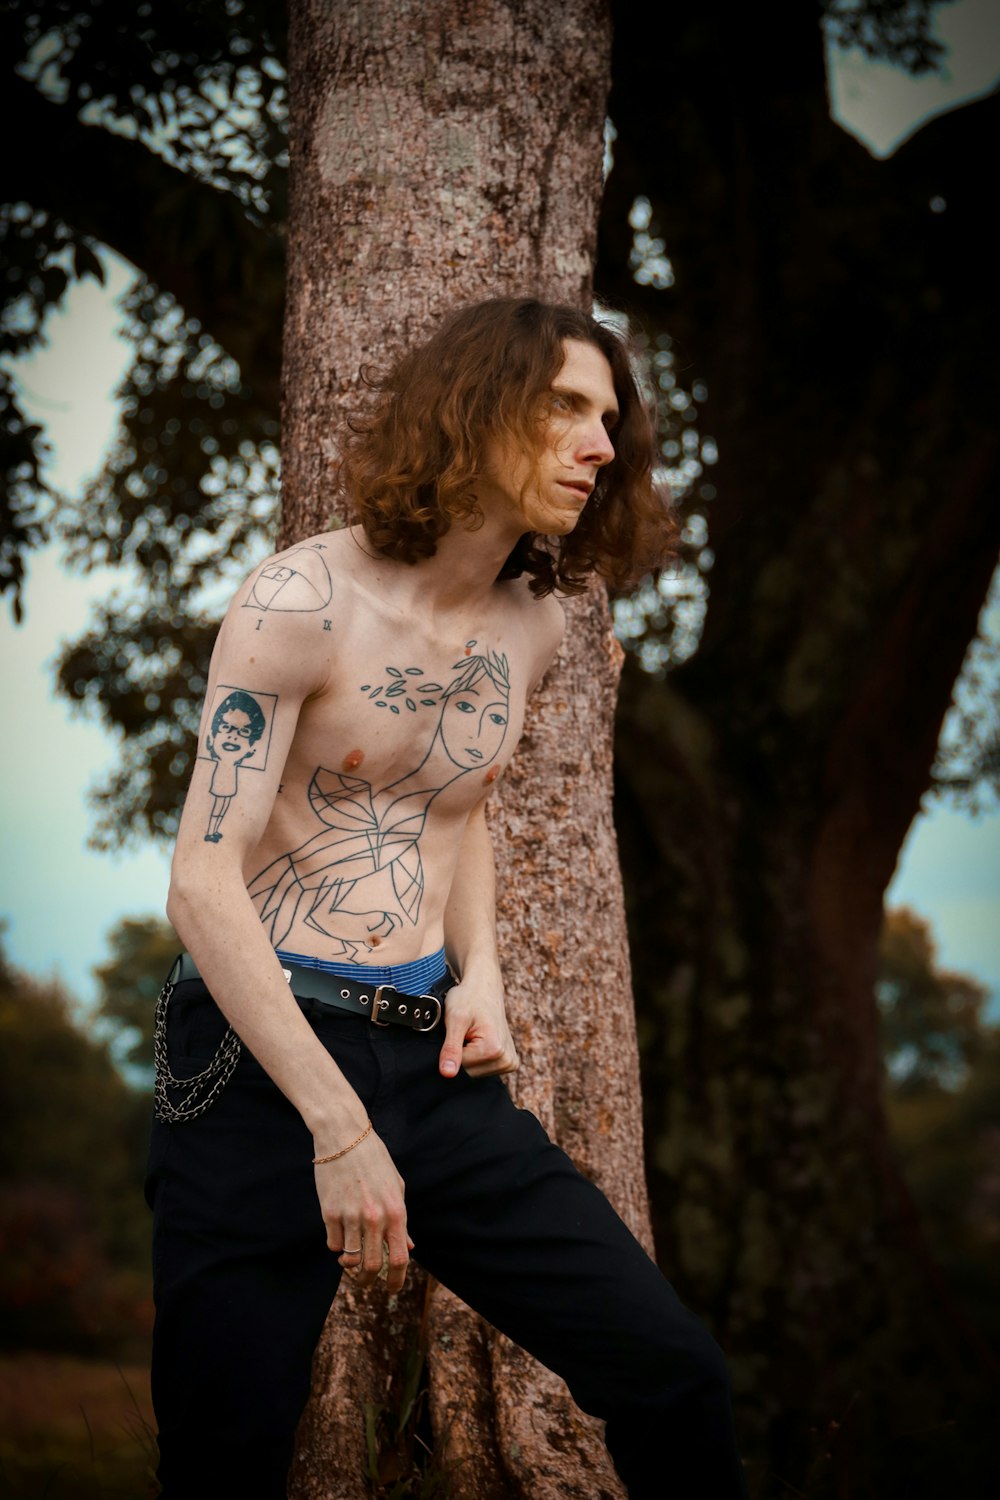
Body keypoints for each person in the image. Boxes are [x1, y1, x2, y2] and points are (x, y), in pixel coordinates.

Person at [147, 296, 748, 1498]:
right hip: (260, 1069)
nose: (602, 446)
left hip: (436, 1067)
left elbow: (454, 805)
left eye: (610, 421)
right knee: (225, 1455)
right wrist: (338, 1129)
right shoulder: (298, 602)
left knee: (675, 1374)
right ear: (475, 415)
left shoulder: (531, 625)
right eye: (566, 409)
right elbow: (200, 883)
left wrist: (481, 977)